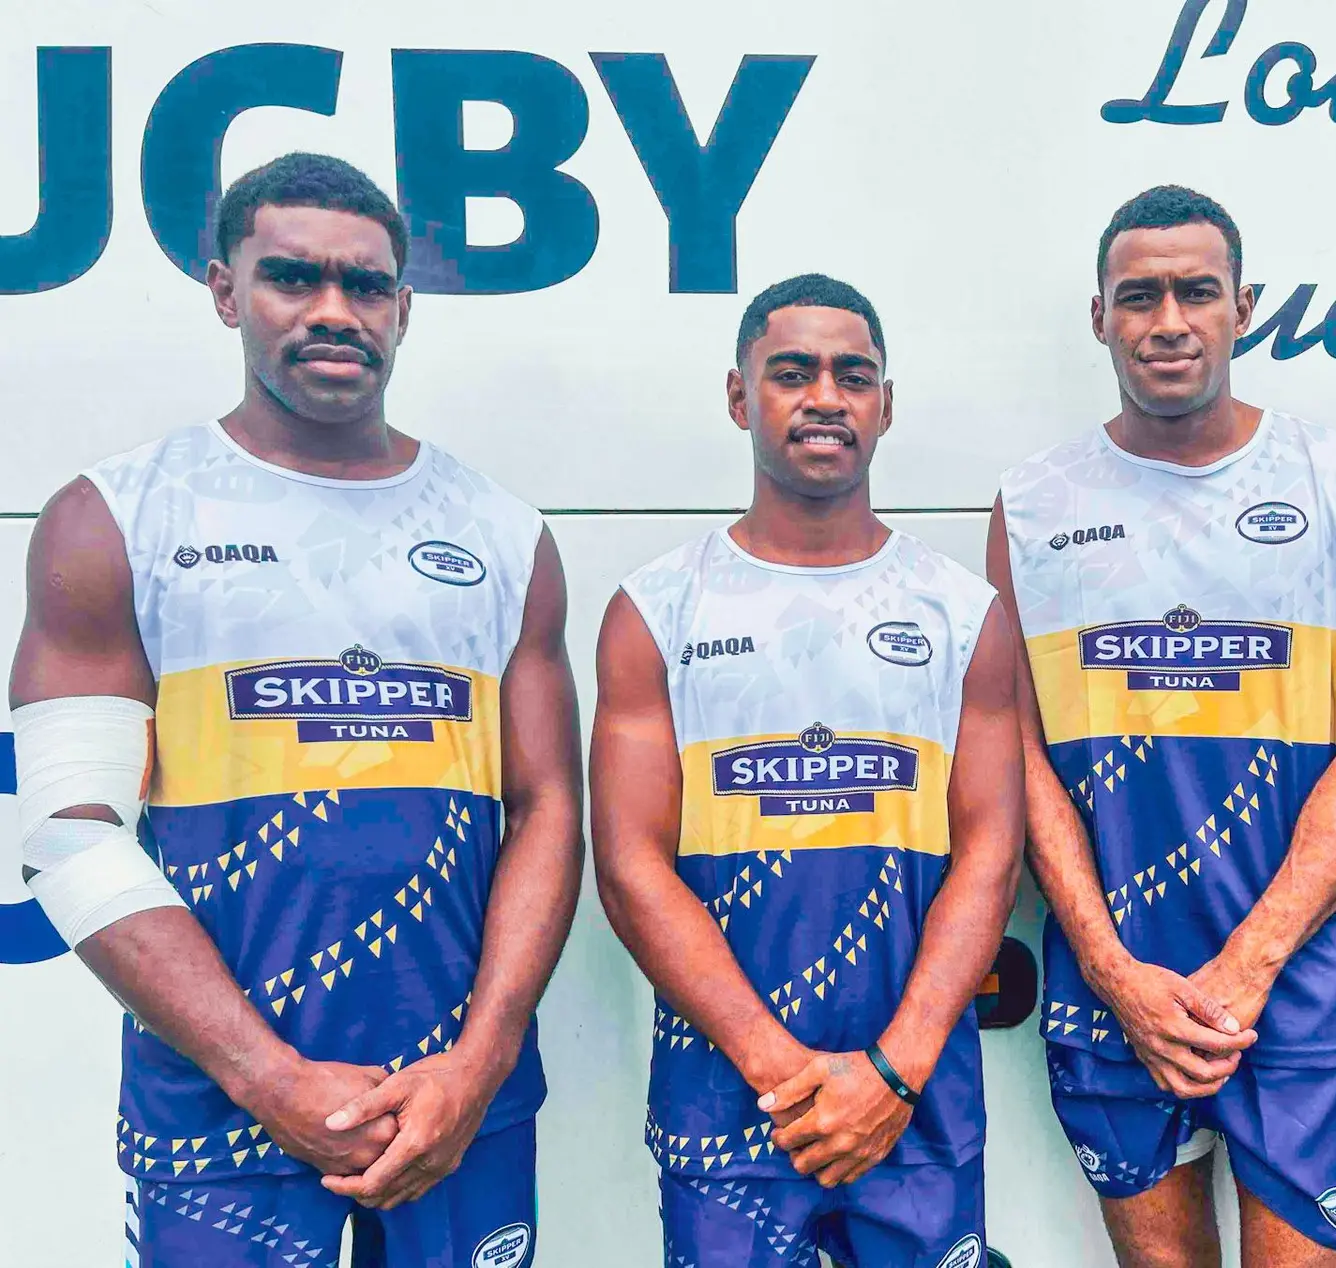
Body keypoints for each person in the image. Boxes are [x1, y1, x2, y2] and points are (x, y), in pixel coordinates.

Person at [9, 152, 583, 1267]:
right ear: (226, 289)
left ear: (405, 309)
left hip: (457, 1107)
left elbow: (547, 808)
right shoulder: (116, 518)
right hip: (218, 1115)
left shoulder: (504, 535)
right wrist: (262, 1072)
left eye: (365, 286)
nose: (334, 311)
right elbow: (70, 834)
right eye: (292, 278)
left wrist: (482, 1055)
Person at [987, 186, 1336, 1266]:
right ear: (1101, 317)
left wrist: (1250, 962)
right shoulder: (1033, 505)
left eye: (1196, 292)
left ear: (1245, 307)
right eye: (1139, 297)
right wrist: (1109, 964)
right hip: (1117, 984)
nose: (1169, 321)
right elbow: (1016, 754)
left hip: (1301, 986)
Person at [590, 274, 1022, 1266]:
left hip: (918, 1105)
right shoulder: (657, 609)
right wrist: (785, 1070)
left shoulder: (961, 611)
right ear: (742, 397)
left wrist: (896, 1069)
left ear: (885, 405)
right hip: (727, 1103)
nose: (825, 395)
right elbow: (629, 864)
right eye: (793, 372)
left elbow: (992, 848)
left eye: (853, 375)